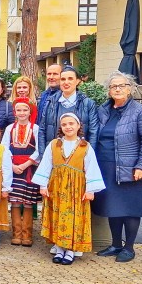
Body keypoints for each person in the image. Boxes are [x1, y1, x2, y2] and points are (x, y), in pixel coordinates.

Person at [93, 71, 142, 263]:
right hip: (106, 166)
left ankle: (129, 248)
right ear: (109, 90)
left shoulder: (141, 111)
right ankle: (115, 245)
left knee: (130, 208)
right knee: (113, 206)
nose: (118, 89)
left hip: (131, 167)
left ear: (130, 89)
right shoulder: (103, 110)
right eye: (114, 86)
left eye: (122, 85)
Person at [33, 113, 105, 265]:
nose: (68, 127)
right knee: (58, 215)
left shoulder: (85, 146)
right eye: (64, 124)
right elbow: (46, 164)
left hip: (76, 189)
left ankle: (71, 250)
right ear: (61, 127)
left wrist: (90, 190)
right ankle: (59, 248)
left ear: (78, 126)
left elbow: (91, 168)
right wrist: (43, 185)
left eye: (71, 123)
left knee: (73, 217)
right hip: (56, 187)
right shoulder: (54, 144)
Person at [2, 99, 41, 247]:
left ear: (30, 112)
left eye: (25, 110)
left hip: (29, 168)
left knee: (28, 201)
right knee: (15, 201)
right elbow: (5, 148)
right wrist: (11, 166)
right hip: (13, 169)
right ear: (14, 112)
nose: (22, 113)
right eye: (19, 110)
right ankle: (16, 234)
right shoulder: (10, 128)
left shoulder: (35, 128)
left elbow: (39, 150)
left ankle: (27, 234)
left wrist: (26, 164)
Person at [37, 66, 99, 157]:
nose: (66, 82)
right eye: (63, 79)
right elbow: (42, 131)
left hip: (79, 156)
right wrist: (43, 156)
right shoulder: (50, 102)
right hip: (54, 155)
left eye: (70, 79)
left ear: (77, 81)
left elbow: (93, 133)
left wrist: (87, 157)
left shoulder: (88, 104)